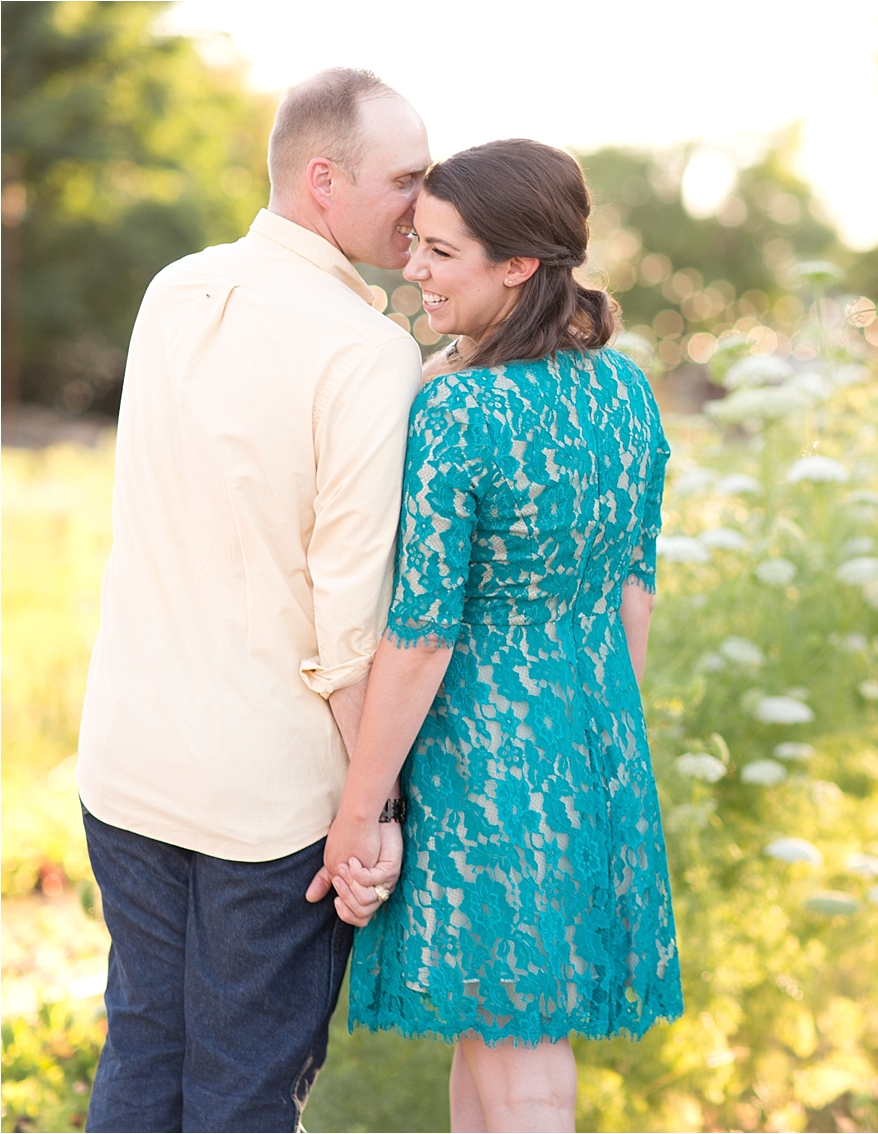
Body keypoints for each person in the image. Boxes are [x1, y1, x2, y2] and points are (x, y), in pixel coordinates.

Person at [74, 69, 430, 1131]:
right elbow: (348, 615)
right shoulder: (368, 351)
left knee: (143, 1053)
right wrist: (371, 815)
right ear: (324, 180)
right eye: (406, 178)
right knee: (241, 1095)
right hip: (264, 798)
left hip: (126, 761)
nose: (427, 200)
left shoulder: (173, 288)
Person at [327, 138, 684, 1133]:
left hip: (480, 753)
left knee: (520, 1055)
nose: (414, 269)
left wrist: (363, 809)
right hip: (591, 738)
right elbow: (633, 593)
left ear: (518, 264)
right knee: (490, 1042)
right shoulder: (624, 392)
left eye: (442, 252)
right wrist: (597, 741)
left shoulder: (458, 412)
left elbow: (423, 634)